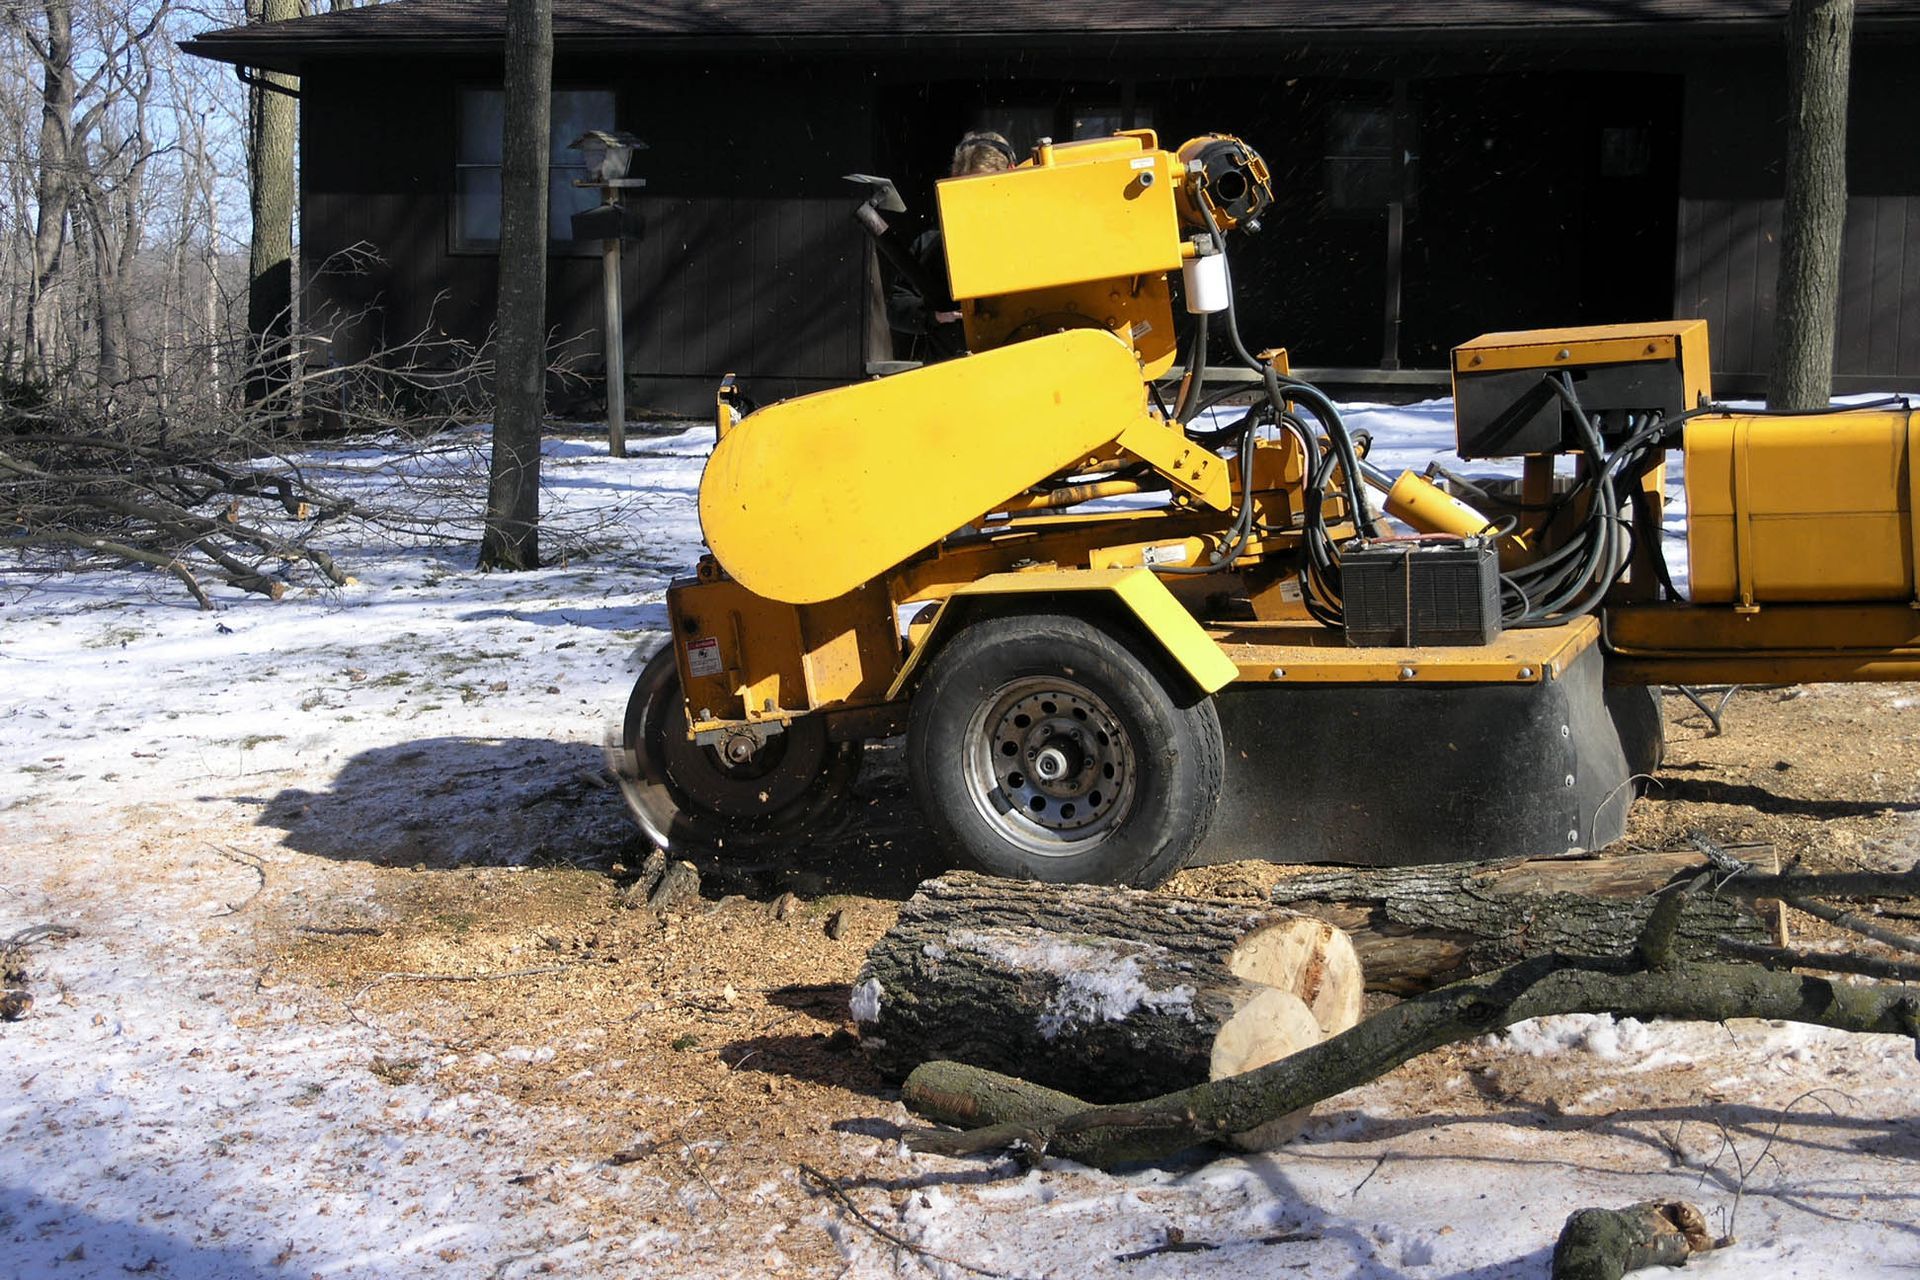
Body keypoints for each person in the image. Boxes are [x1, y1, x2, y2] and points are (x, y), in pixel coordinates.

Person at [886, 131, 1015, 362]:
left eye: (983, 189)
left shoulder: (1029, 240)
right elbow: (897, 306)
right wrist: (932, 316)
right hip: (948, 368)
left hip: (1016, 365)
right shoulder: (932, 245)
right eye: (964, 191)